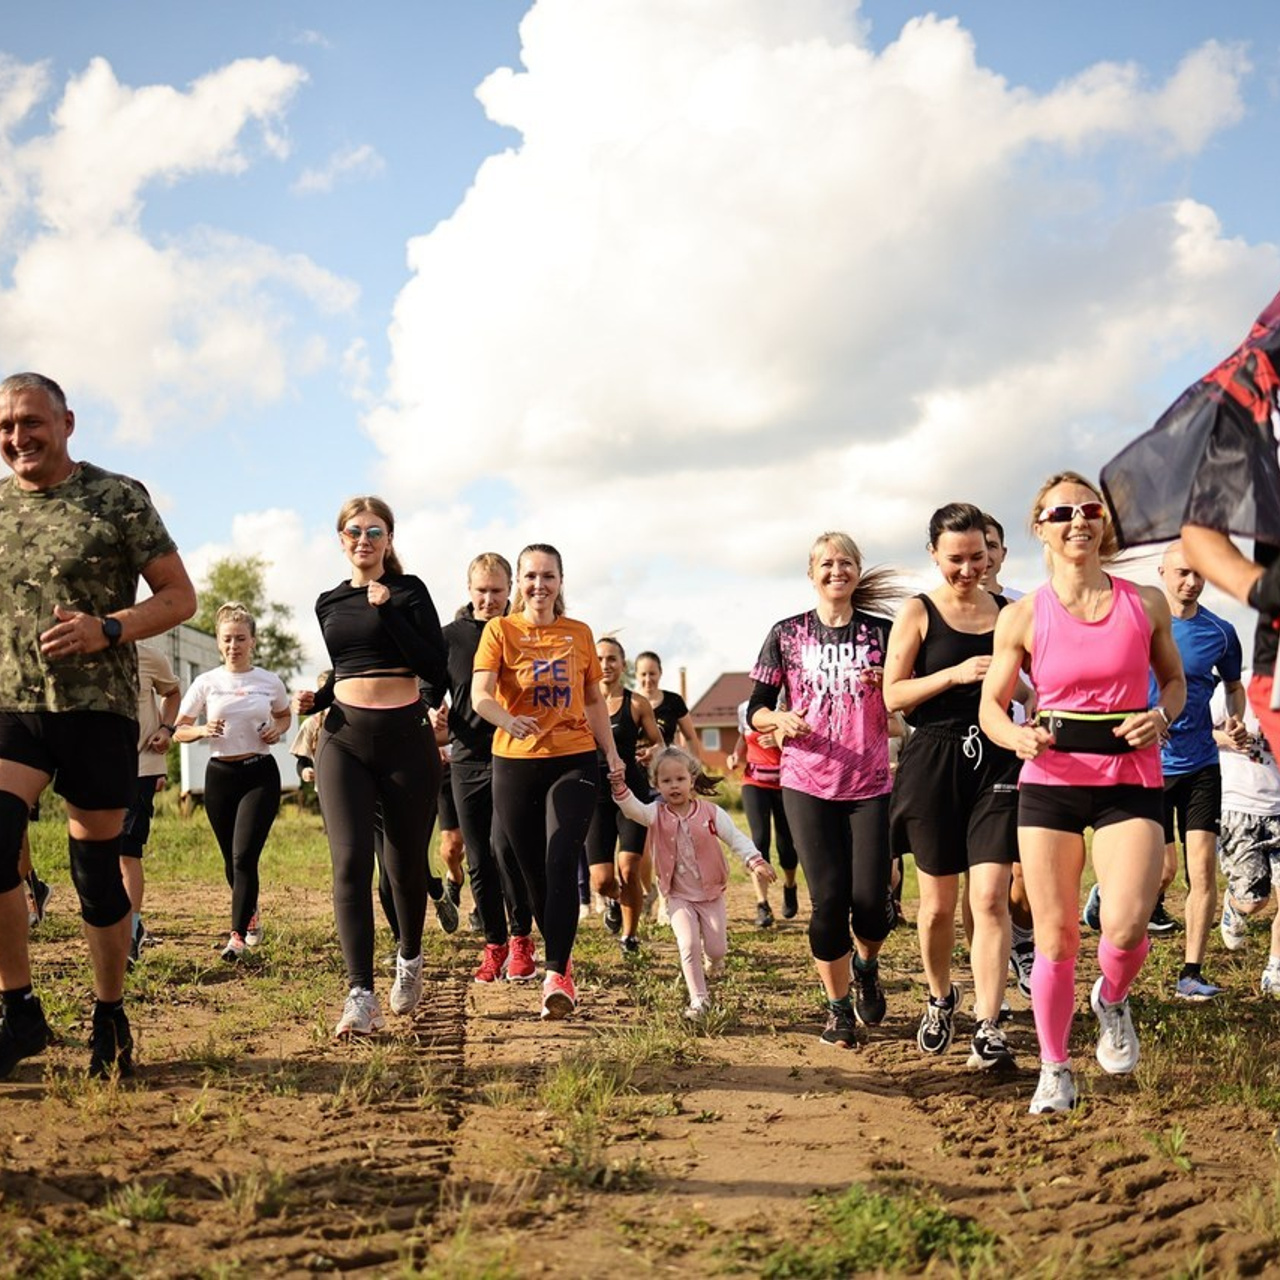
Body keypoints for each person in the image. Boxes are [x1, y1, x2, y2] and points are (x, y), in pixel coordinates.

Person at [0, 372, 196, 1080]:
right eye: (5, 428)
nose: (17, 438)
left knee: (95, 875)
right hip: (12, 709)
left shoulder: (116, 498)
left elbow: (180, 596)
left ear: (66, 422)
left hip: (96, 710)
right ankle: (18, 1008)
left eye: (30, 422)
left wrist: (109, 627)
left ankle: (109, 1013)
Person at [980, 471, 1185, 1115]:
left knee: (1125, 924)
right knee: (1057, 935)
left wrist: (1162, 716)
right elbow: (992, 704)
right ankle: (1055, 1066)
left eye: (1089, 509)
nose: (1078, 520)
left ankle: (1112, 998)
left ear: (1104, 523)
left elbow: (1173, 683)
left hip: (1131, 775)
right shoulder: (1019, 616)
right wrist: (1014, 737)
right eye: (1061, 511)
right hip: (1052, 780)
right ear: (1039, 527)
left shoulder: (1145, 602)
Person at [296, 497, 446, 1038]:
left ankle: (409, 958)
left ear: (389, 539)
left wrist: (389, 609)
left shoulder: (410, 592)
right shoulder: (327, 602)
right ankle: (360, 993)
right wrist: (316, 697)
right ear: (341, 539)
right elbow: (345, 669)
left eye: (374, 531)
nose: (364, 539)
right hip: (344, 740)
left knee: (404, 869)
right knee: (350, 862)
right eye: (354, 531)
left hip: (407, 739)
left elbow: (435, 668)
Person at [747, 531, 900, 1049]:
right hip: (807, 780)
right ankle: (837, 1011)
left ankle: (866, 965)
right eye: (827, 564)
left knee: (873, 905)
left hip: (871, 781)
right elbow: (755, 709)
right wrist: (779, 718)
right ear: (811, 574)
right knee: (830, 901)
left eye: (847, 562)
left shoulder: (885, 632)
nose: (837, 571)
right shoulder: (786, 634)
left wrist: (890, 692)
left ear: (858, 570)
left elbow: (908, 705)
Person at [884, 503, 1022, 1070]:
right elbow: (893, 696)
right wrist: (954, 674)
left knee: (989, 897)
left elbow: (1035, 679)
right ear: (935, 555)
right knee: (938, 907)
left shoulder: (1013, 612)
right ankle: (941, 996)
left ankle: (989, 1023)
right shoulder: (917, 613)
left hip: (997, 759)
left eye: (978, 557)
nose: (969, 569)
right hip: (935, 758)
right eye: (956, 559)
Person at [471, 543, 624, 1020]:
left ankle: (557, 975)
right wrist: (507, 719)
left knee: (561, 858)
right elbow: (479, 694)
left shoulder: (578, 633)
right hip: (514, 761)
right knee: (530, 869)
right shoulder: (500, 630)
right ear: (519, 583)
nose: (540, 585)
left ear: (561, 581)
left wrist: (612, 755)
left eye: (549, 576)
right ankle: (559, 948)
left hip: (573, 757)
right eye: (531, 577)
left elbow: (594, 701)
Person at [612, 746, 775, 1019]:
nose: (674, 786)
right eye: (666, 781)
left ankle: (715, 960)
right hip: (678, 895)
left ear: (692, 779)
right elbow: (632, 810)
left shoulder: (711, 813)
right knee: (687, 945)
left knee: (716, 947)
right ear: (656, 784)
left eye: (679, 779)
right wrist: (619, 786)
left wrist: (755, 860)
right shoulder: (655, 813)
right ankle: (699, 1000)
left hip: (711, 894)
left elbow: (736, 839)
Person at [439, 553, 537, 984]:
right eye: (481, 590)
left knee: (507, 849)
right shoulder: (450, 638)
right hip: (467, 757)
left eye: (498, 590)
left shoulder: (525, 631)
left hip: (514, 754)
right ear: (469, 589)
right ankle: (494, 944)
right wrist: (431, 713)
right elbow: (429, 690)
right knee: (477, 856)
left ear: (510, 588)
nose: (489, 598)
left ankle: (520, 940)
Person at [174, 603, 291, 961]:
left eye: (241, 638)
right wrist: (201, 730)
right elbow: (179, 729)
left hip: (259, 774)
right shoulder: (206, 682)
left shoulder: (269, 681)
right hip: (221, 776)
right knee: (231, 859)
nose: (233, 645)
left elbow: (285, 716)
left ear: (252, 641)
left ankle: (236, 937)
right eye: (227, 639)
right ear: (218, 643)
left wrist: (277, 728)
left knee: (244, 856)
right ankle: (251, 913)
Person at [1153, 541, 1244, 997]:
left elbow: (1233, 686)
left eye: (1198, 574)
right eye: (1182, 573)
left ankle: (1191, 972)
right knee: (1160, 870)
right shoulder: (1141, 626)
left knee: (1203, 870)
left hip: (1201, 761)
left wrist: (1235, 716)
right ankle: (1107, 900)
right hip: (1148, 764)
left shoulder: (1221, 632)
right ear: (1162, 572)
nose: (1190, 582)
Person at [588, 636, 662, 953]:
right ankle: (615, 901)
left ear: (623, 664)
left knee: (630, 867)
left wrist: (650, 754)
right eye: (600, 658)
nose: (605, 665)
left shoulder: (636, 704)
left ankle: (630, 936)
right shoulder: (580, 702)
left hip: (631, 793)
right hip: (593, 796)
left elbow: (658, 742)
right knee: (602, 881)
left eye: (612, 659)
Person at [1211, 680, 1280, 992]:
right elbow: (1198, 730)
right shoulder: (1235, 687)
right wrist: (1227, 738)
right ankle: (1236, 906)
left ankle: (1275, 968)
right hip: (1240, 807)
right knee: (1255, 901)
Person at [122, 643, 181, 963]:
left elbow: (172, 692)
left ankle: (129, 935)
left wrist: (166, 727)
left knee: (126, 851)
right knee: (97, 855)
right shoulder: (83, 651)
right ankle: (122, 926)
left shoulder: (149, 655)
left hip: (141, 767)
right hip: (93, 767)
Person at [727, 698, 800, 926]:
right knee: (759, 840)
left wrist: (780, 739)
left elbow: (804, 739)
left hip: (786, 782)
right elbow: (743, 737)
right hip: (754, 782)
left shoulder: (792, 705)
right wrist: (736, 755)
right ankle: (763, 904)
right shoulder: (745, 708)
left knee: (786, 845)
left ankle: (790, 885)